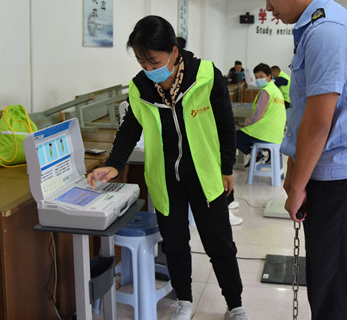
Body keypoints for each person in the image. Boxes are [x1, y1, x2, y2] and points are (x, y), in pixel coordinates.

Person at [86, 16, 249, 320]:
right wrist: (113, 165)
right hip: (165, 180)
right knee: (175, 245)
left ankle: (235, 305)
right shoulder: (140, 88)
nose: (147, 68)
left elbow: (227, 125)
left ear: (174, 52)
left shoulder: (205, 76)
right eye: (140, 60)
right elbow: (130, 127)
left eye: (153, 60)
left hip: (205, 176)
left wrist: (227, 168)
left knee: (220, 245)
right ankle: (184, 301)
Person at [253, 0, 347, 320]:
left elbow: (318, 122)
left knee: (333, 293)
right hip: (332, 176)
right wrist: (295, 176)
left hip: (342, 181)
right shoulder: (316, 27)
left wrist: (295, 188)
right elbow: (304, 119)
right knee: (325, 281)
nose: (268, 8)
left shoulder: (328, 31)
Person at [236, 63, 287, 161]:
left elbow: (257, 115)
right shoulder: (276, 91)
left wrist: (247, 125)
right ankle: (259, 152)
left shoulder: (266, 91)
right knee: (244, 136)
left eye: (261, 76)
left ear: (269, 76)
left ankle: (255, 154)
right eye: (256, 77)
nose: (258, 79)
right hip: (276, 135)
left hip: (264, 133)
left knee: (234, 136)